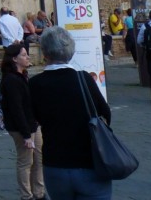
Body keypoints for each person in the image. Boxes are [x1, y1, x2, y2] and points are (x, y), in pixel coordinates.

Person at [30, 26, 112, 200]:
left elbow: (32, 119)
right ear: (71, 52)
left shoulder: (35, 84)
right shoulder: (84, 79)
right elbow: (105, 113)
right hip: (89, 162)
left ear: (44, 53)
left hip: (55, 164)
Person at [0, 42, 45, 200]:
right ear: (14, 59)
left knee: (39, 158)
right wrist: (26, 135)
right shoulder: (11, 80)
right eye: (24, 55)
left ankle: (39, 193)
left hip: (33, 123)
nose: (28, 57)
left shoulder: (23, 75)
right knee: (26, 161)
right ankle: (26, 196)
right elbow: (16, 109)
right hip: (21, 127)